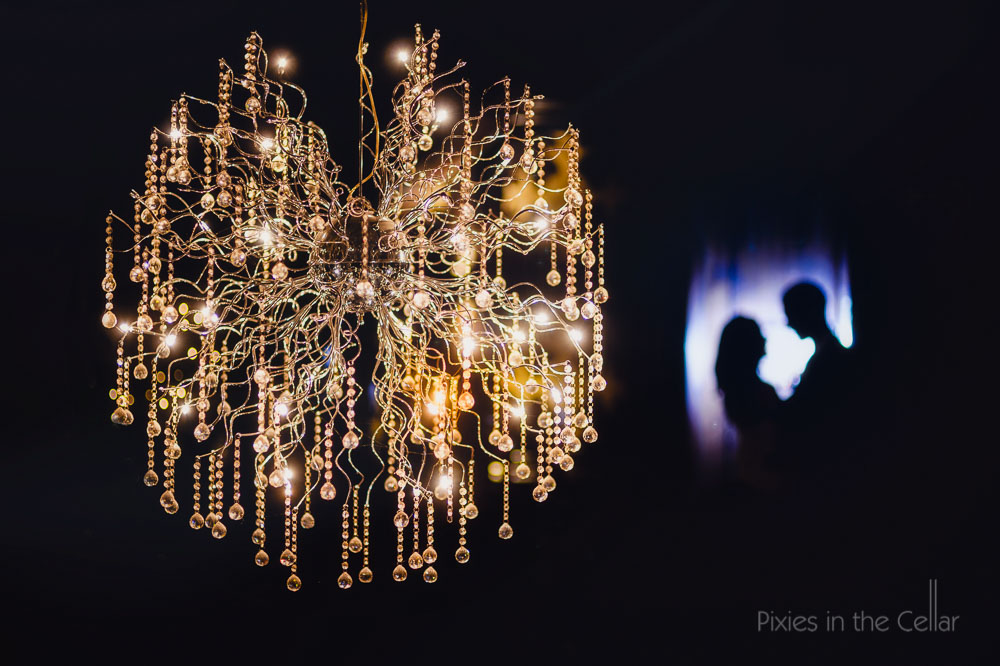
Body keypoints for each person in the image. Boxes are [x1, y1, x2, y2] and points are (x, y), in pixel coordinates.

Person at [715, 316, 781, 491]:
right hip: (763, 475)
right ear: (747, 345)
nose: (764, 338)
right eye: (759, 334)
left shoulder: (737, 389)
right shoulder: (753, 391)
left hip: (751, 471)